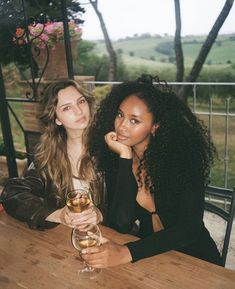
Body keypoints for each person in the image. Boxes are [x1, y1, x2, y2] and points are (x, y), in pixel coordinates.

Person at [81, 74, 222, 268]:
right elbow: (121, 223)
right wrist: (124, 157)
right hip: (152, 257)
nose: (121, 126)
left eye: (134, 121)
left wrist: (127, 252)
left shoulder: (181, 163)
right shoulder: (119, 160)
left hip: (196, 260)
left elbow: (189, 229)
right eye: (120, 115)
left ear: (155, 126)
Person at [0, 79, 103, 230]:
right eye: (67, 108)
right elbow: (13, 193)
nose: (79, 111)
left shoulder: (109, 147)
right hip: (66, 237)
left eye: (81, 102)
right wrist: (59, 215)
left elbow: (126, 205)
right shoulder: (49, 156)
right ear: (56, 119)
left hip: (110, 237)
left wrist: (100, 214)